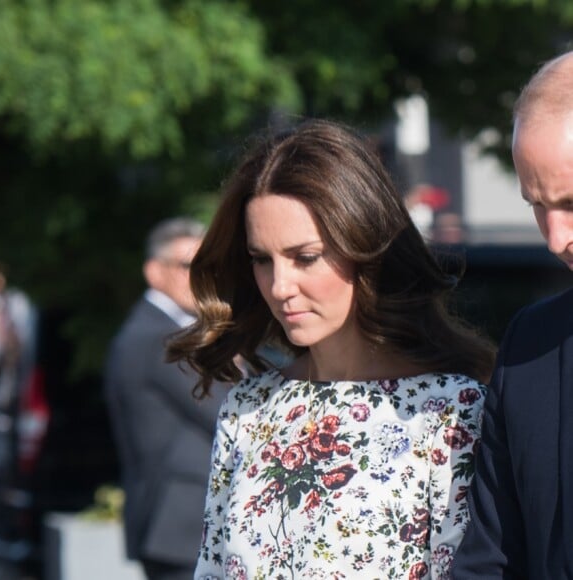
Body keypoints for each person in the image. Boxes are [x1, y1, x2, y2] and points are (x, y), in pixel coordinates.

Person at [166, 119, 496, 578]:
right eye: (262, 259)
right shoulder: (249, 408)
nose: (280, 286)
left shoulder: (450, 412)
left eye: (305, 257)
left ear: (365, 249)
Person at [452, 51, 573, 578]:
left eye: (571, 203)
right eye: (536, 204)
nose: (555, 238)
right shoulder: (530, 345)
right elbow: (491, 556)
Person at [104, 217, 228, 580]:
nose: (202, 277)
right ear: (154, 272)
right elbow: (228, 412)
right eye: (189, 266)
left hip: (179, 527)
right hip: (179, 528)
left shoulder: (157, 331)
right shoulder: (159, 338)